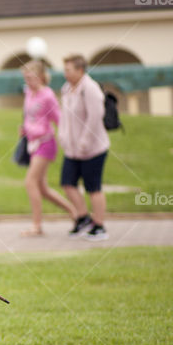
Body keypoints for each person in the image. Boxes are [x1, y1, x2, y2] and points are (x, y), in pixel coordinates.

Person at [19, 59, 77, 236]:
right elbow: (30, 117)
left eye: (32, 77)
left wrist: (68, 141)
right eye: (26, 78)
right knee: (42, 188)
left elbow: (59, 120)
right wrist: (25, 128)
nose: (29, 81)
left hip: (46, 143)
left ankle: (37, 226)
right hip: (32, 143)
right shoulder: (29, 92)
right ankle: (75, 213)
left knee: (30, 182)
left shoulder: (48, 96)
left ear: (42, 77)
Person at [58, 54, 110, 241]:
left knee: (93, 188)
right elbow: (64, 116)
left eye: (68, 69)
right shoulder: (67, 89)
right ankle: (83, 218)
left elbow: (95, 117)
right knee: (67, 183)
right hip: (72, 150)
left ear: (80, 70)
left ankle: (99, 225)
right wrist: (62, 135)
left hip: (93, 149)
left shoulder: (90, 88)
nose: (65, 73)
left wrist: (85, 142)